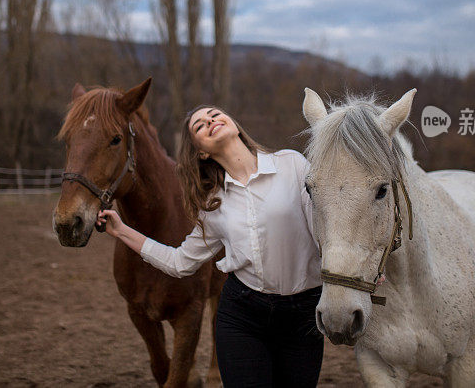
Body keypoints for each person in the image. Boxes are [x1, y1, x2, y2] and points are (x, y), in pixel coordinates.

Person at [96, 105, 323, 387]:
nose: (210, 120)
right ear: (201, 151)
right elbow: (180, 263)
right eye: (200, 125)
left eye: (214, 114)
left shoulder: (293, 165)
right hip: (244, 317)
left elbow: (326, 227)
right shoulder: (212, 204)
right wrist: (121, 231)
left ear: (234, 124)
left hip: (302, 316)